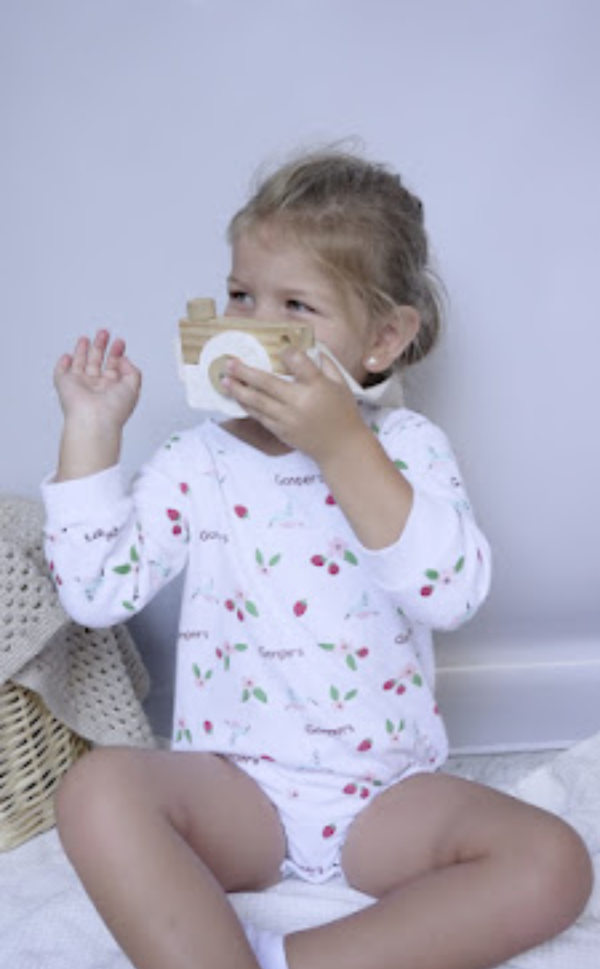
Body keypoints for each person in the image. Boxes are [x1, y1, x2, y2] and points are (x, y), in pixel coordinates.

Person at [42, 149, 592, 969]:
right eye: (241, 296)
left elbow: (450, 592)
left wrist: (341, 446)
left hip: (385, 801)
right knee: (95, 789)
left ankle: (289, 959)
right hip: (237, 796)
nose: (250, 328)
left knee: (554, 861)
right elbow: (94, 593)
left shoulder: (405, 447)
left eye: (295, 307)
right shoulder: (198, 459)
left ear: (384, 339)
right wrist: (90, 431)